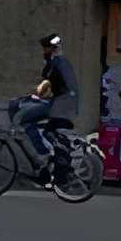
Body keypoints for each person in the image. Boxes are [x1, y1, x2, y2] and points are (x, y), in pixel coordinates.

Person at [13, 34, 78, 181]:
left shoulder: (55, 63)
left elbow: (44, 86)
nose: (44, 52)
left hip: (60, 107)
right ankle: (48, 161)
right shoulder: (64, 63)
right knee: (45, 128)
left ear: (51, 49)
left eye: (45, 48)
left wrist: (34, 95)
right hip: (68, 106)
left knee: (24, 119)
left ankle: (42, 156)